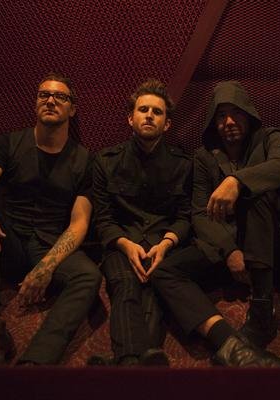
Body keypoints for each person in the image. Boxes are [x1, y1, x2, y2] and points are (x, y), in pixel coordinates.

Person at [0, 72, 102, 365]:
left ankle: (37, 360)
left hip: (49, 243)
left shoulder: (86, 160)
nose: (50, 100)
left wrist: (46, 267)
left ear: (72, 109)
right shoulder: (8, 143)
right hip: (6, 241)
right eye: (43, 95)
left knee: (89, 276)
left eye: (60, 96)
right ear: (36, 103)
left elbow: (79, 223)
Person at [150, 80, 280, 366]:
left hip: (267, 247)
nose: (228, 122)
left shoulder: (269, 138)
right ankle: (228, 343)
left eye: (236, 113)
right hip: (224, 247)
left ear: (248, 113)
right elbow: (199, 213)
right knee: (163, 271)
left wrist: (236, 181)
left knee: (256, 196)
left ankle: (262, 312)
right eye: (221, 115)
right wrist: (229, 251)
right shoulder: (204, 156)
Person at [91, 79, 190, 366]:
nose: (149, 115)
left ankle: (127, 363)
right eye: (143, 109)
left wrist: (166, 243)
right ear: (130, 118)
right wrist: (125, 245)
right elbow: (103, 218)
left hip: (164, 244)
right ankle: (138, 363)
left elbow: (185, 216)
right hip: (121, 243)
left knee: (156, 286)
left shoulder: (183, 164)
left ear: (167, 124)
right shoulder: (105, 161)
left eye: (157, 112)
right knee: (125, 284)